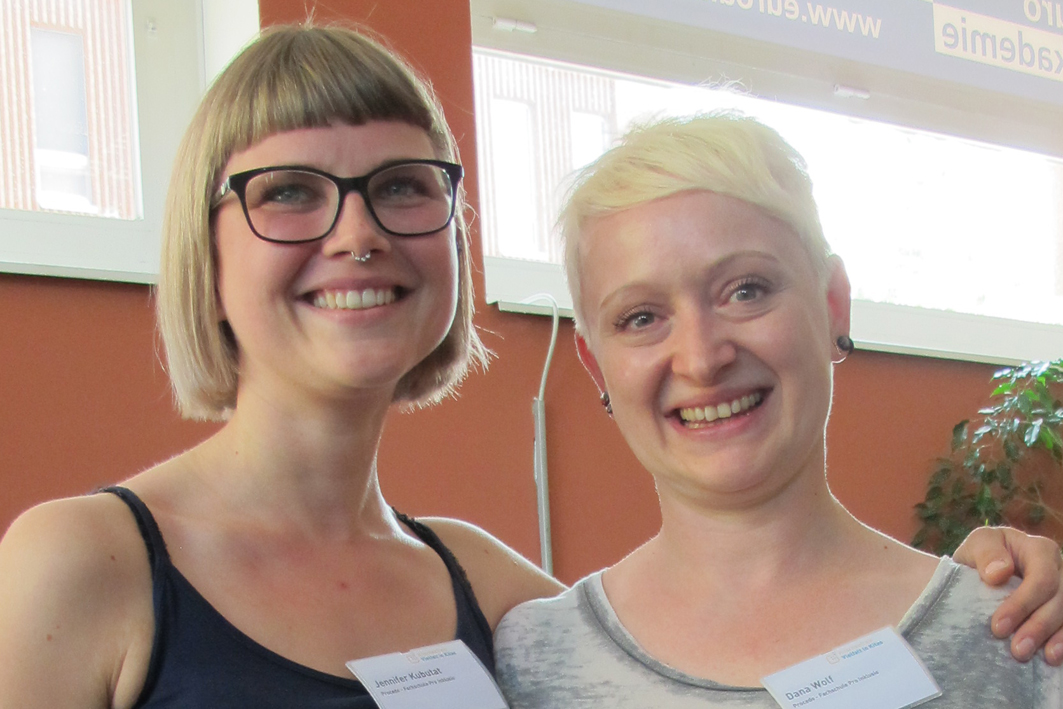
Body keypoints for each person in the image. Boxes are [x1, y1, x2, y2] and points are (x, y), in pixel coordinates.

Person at [0, 23, 1056, 709]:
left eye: (402, 187)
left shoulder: (500, 600)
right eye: (288, 193)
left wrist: (995, 582)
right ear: (205, 249)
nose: (357, 234)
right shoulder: (82, 565)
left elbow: (716, 633)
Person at [494, 112, 1063, 707]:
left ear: (833, 305)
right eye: (641, 317)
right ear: (596, 366)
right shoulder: (528, 662)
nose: (701, 359)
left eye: (746, 291)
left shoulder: (1019, 636)